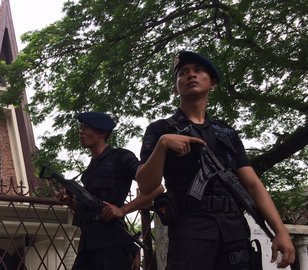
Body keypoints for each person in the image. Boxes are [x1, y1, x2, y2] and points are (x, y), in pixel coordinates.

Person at [136, 51, 295, 269]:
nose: (191, 75)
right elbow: (146, 185)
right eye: (183, 73)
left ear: (213, 83)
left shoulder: (226, 132)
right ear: (175, 88)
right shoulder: (160, 130)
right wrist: (163, 145)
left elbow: (252, 184)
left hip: (234, 229)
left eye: (199, 71)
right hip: (191, 229)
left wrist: (280, 231)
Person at [59, 111, 164, 270]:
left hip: (112, 243)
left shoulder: (120, 158)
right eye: (81, 127)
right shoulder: (89, 170)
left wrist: (123, 210)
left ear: (102, 132)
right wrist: (70, 203)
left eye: (86, 128)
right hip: (88, 242)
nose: (81, 131)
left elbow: (156, 187)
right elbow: (88, 209)